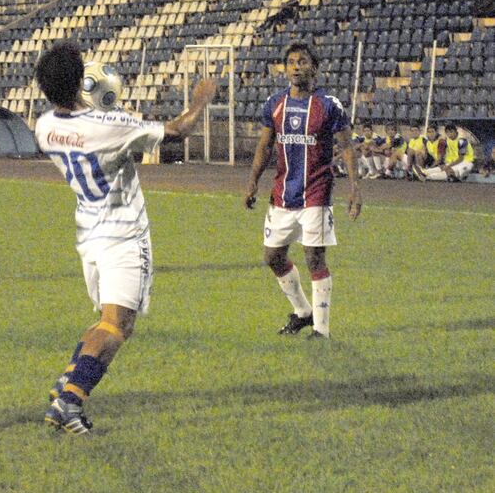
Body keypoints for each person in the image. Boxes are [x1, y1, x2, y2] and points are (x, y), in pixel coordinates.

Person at [34, 41, 216, 434]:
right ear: (80, 79)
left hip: (89, 234)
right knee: (117, 326)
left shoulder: (45, 126)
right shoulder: (109, 125)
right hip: (123, 235)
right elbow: (179, 130)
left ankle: (64, 385)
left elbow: (100, 137)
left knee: (104, 321)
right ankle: (71, 402)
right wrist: (201, 100)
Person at [244, 42, 361, 340]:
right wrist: (253, 181)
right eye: (291, 62)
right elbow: (264, 145)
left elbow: (347, 146)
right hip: (283, 193)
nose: (296, 66)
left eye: (303, 61)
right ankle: (303, 312)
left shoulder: (329, 105)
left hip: (317, 192)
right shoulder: (275, 103)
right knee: (272, 257)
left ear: (315, 67)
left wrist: (354, 188)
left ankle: (322, 330)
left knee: (314, 259)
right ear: (285, 69)